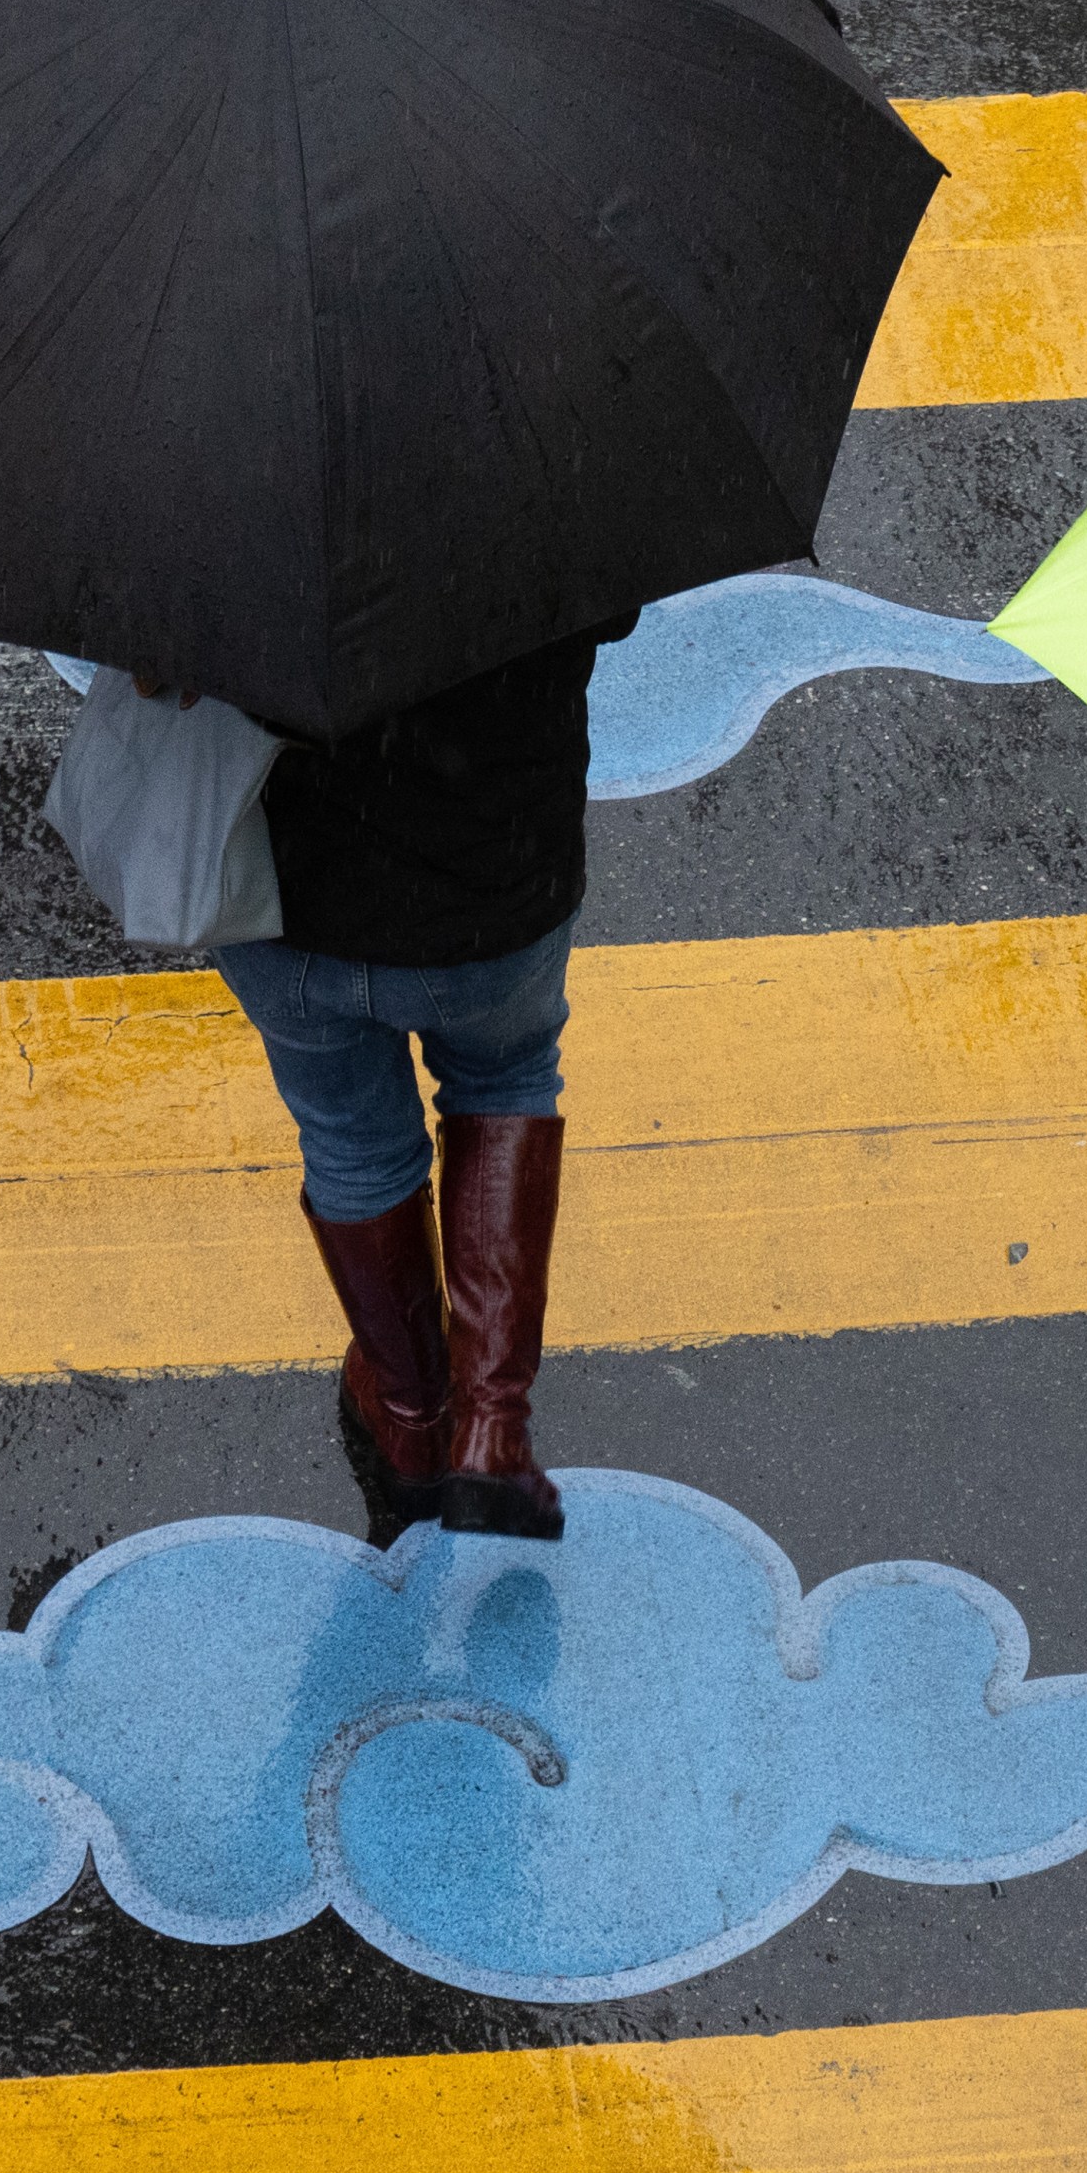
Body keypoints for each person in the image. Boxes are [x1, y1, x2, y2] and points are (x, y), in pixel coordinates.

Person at [201, 615, 632, 1542]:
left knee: (351, 1137)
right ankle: (491, 1429)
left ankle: (411, 1420)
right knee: (507, 1075)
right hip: (493, 886)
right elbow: (610, 604)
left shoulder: (210, 484)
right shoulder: (544, 470)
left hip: (282, 890)